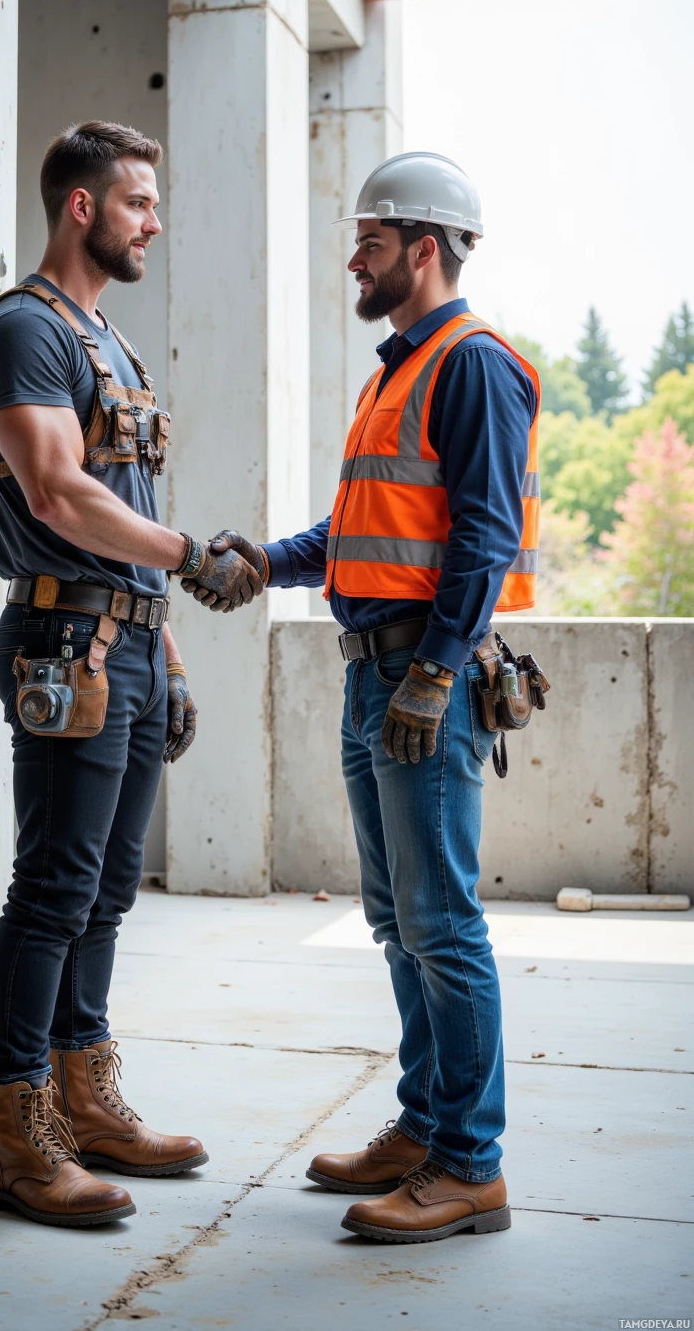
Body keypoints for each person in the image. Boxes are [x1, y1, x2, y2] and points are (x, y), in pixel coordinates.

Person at [185, 152, 540, 1245]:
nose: (355, 260)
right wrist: (267, 561)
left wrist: (433, 674)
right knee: (397, 923)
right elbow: (359, 534)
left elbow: (484, 537)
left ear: (423, 249)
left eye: (370, 243)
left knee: (442, 924)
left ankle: (469, 1165)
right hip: (372, 674)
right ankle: (426, 1125)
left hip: (422, 678)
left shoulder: (473, 365)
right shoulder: (397, 372)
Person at [0, 120, 262, 1228]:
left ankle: (82, 1100)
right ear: (81, 207)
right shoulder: (22, 331)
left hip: (127, 641)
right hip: (62, 642)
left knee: (105, 889)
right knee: (51, 887)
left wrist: (166, 648)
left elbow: (121, 504)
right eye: (138, 203)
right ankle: (11, 1132)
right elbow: (55, 493)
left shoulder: (110, 344)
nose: (154, 223)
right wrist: (187, 557)